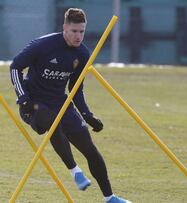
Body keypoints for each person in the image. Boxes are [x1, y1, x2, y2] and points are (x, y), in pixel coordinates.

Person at [10, 8, 131, 203]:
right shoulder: (42, 45)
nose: (78, 36)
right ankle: (75, 171)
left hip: (60, 103)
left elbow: (76, 88)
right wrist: (23, 98)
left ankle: (110, 198)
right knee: (51, 122)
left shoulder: (82, 54)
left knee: (90, 149)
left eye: (82, 31)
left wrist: (87, 115)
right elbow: (15, 66)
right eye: (74, 31)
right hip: (33, 106)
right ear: (65, 27)